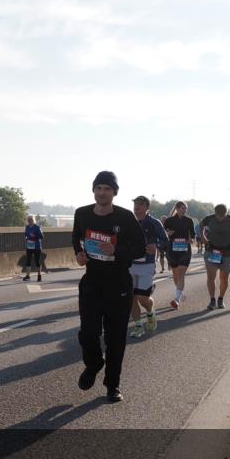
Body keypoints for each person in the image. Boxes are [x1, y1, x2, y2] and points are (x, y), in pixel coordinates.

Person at [71, 171, 146, 403]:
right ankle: (93, 364)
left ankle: (112, 385)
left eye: (107, 189)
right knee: (88, 333)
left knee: (115, 338)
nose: (102, 192)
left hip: (118, 284)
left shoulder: (124, 217)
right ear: (94, 190)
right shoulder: (82, 213)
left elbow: (140, 248)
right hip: (92, 282)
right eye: (98, 188)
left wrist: (118, 251)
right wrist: (79, 253)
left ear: (114, 192)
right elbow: (76, 237)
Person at [129, 196, 167, 338]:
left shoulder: (154, 223)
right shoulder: (129, 222)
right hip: (130, 264)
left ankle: (150, 313)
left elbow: (165, 241)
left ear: (147, 207)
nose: (136, 207)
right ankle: (138, 326)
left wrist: (156, 246)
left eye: (140, 204)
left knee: (142, 298)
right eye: (135, 204)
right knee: (131, 297)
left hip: (147, 265)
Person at [200, 204, 230, 309]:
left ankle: (221, 299)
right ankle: (212, 300)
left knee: (224, 278)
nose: (220, 218)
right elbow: (201, 224)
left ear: (226, 213)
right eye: (218, 216)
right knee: (211, 277)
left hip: (226, 252)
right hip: (212, 251)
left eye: (222, 216)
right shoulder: (210, 218)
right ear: (215, 213)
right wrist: (202, 236)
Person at [163, 201, 195, 309]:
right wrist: (167, 234)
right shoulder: (169, 220)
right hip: (172, 250)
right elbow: (162, 233)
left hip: (185, 250)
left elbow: (193, 235)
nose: (185, 210)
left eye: (186, 208)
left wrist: (191, 239)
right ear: (176, 208)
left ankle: (176, 300)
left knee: (181, 274)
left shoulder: (189, 220)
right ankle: (180, 294)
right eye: (182, 208)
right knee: (176, 275)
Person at [23, 215, 44, 282]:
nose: (29, 221)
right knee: (28, 261)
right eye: (28, 220)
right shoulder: (27, 227)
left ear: (33, 220)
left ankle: (39, 275)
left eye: (31, 220)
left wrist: (34, 236)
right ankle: (28, 275)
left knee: (37, 261)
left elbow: (41, 236)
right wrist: (27, 238)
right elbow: (25, 235)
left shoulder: (37, 227)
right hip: (29, 246)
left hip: (37, 246)